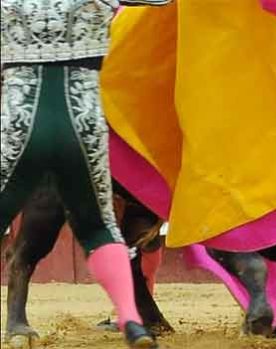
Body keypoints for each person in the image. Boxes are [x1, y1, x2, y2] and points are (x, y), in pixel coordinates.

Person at [1, 1, 170, 348]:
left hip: (19, 122)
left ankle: (16, 322)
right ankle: (131, 321)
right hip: (82, 121)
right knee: (98, 227)